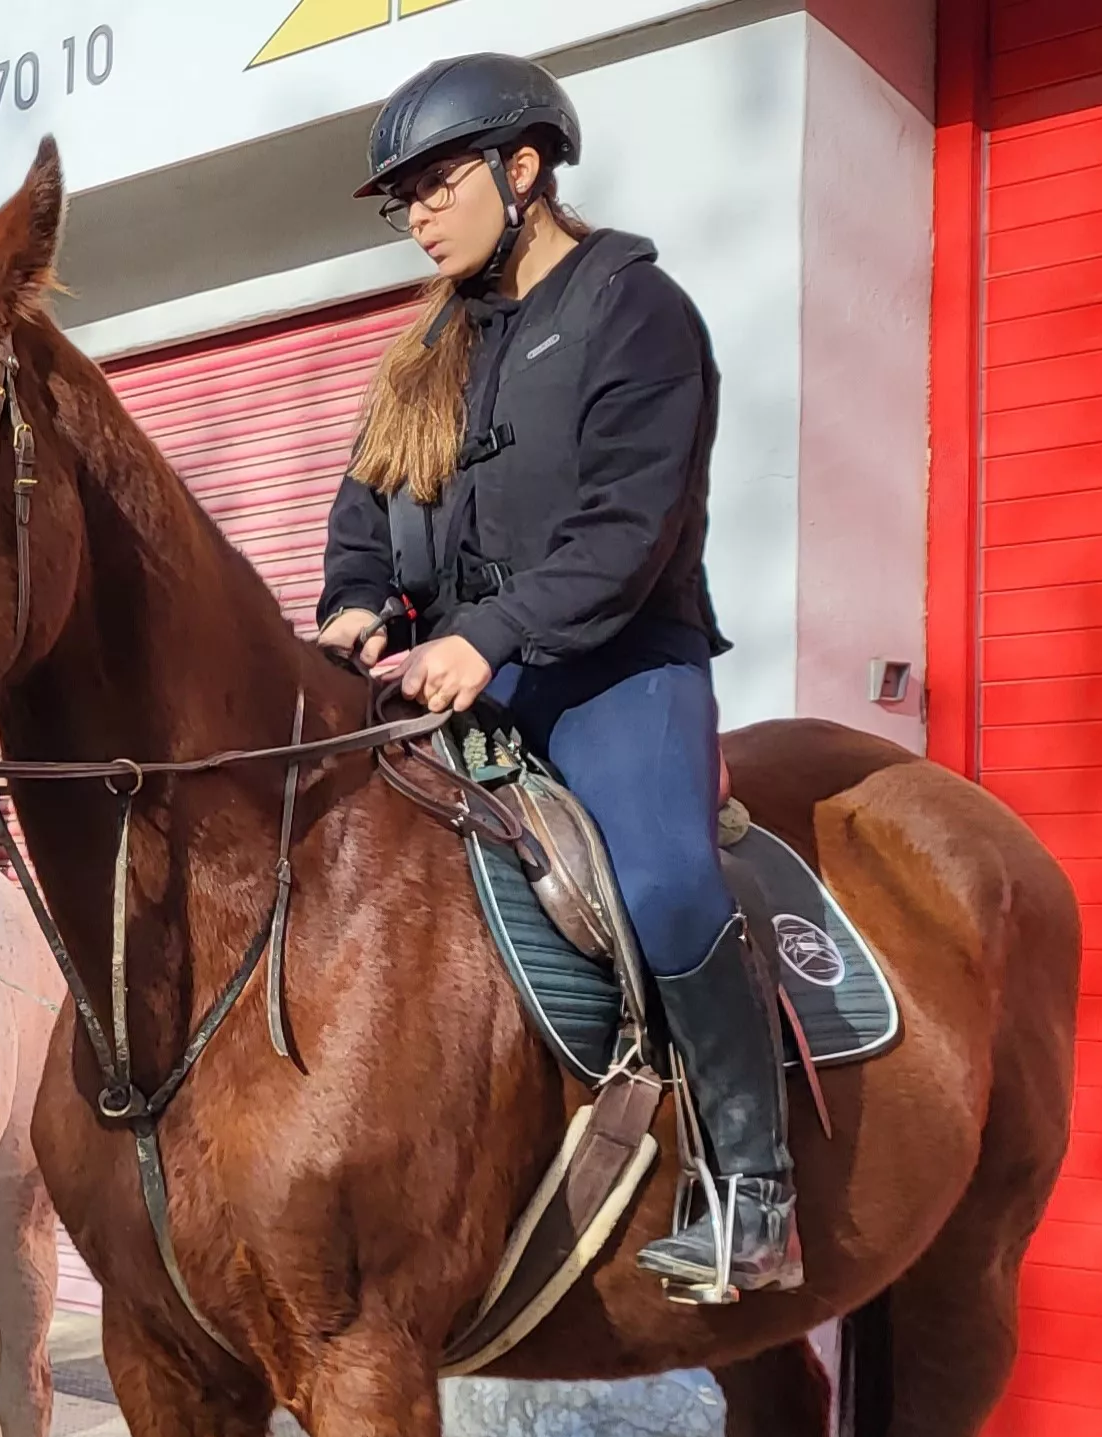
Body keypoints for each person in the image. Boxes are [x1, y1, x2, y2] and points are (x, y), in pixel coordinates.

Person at [313, 54, 790, 1297]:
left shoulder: (639, 311)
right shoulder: (425, 347)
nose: (415, 213)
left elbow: (628, 530)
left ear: (522, 170)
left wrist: (494, 632)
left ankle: (751, 1187)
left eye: (435, 183)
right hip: (450, 674)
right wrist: (359, 607)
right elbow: (363, 511)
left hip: (615, 666)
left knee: (672, 881)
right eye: (401, 196)